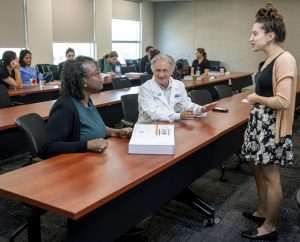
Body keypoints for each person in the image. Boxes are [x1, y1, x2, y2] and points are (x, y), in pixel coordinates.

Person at [241, 3, 297, 240]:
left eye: (255, 34)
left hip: (271, 128)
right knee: (258, 169)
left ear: (270, 35)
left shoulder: (285, 59)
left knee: (271, 176)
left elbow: (283, 101)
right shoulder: (265, 61)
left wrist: (254, 97)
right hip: (260, 125)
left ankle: (270, 226)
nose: (250, 38)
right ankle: (264, 210)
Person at [41, 56, 132, 159]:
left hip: (93, 161)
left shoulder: (86, 100)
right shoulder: (65, 107)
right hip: (76, 167)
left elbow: (94, 128)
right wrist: (87, 145)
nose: (101, 77)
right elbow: (47, 147)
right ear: (83, 81)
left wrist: (116, 132)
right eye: (97, 74)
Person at [138, 54, 217, 123]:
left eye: (165, 70)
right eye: (158, 70)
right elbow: (154, 113)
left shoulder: (179, 85)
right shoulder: (145, 88)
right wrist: (179, 116)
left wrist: (200, 109)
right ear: (153, 71)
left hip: (172, 126)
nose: (161, 75)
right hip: (148, 129)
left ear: (171, 71)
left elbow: (185, 104)